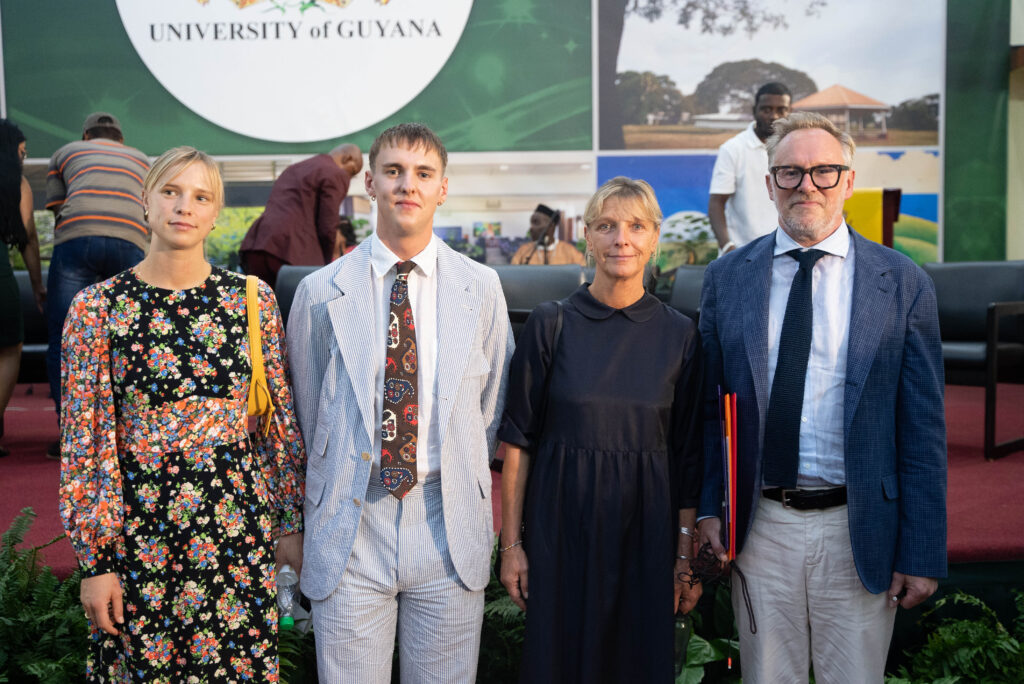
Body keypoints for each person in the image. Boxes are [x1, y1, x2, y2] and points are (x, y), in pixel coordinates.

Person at [696, 112, 947, 682]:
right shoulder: (727, 279)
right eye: (789, 172)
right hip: (761, 528)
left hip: (858, 529)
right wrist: (711, 506)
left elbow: (924, 430)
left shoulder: (903, 283)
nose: (807, 185)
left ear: (849, 181)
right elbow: (711, 414)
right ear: (768, 185)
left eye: (824, 171)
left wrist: (923, 550)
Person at [59, 146, 306, 682]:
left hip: (236, 532)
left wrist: (289, 523)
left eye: (200, 196)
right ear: (144, 201)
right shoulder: (97, 308)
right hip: (139, 539)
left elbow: (277, 425)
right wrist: (96, 561)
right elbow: (86, 440)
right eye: (170, 191)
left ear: (216, 212)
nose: (183, 207)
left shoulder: (252, 300)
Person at [287, 123, 513, 682]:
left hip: (446, 521)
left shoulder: (481, 288)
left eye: (422, 174)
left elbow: (488, 408)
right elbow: (306, 415)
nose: (406, 185)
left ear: (442, 189)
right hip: (351, 522)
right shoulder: (319, 292)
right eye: (393, 171)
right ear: (368, 182)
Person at [499, 176, 703, 682]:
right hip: (561, 531)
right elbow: (518, 445)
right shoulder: (551, 324)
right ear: (586, 238)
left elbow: (688, 455)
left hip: (647, 534)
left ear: (655, 238)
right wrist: (512, 545)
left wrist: (683, 557)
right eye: (607, 226)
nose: (621, 239)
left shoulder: (682, 335)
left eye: (636, 226)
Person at [45, 112, 149, 436]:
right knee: (130, 339)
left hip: (77, 237)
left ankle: (71, 433)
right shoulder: (142, 160)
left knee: (65, 339)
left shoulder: (66, 152)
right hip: (131, 239)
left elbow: (55, 206)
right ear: (120, 139)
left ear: (86, 136)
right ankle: (128, 429)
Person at [239, 143, 363, 286]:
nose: (349, 178)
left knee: (262, 306)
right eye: (352, 172)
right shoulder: (335, 172)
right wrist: (327, 263)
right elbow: (327, 225)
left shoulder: (295, 168)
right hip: (292, 254)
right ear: (347, 158)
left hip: (257, 245)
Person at [0, 119, 45, 458]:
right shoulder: (17, 184)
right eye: (22, 152)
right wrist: (36, 285)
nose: (24, 158)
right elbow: (28, 236)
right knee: (9, 348)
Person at [708, 82, 791, 254]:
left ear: (789, 112)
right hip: (743, 254)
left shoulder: (797, 149)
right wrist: (727, 247)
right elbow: (716, 203)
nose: (774, 116)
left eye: (781, 110)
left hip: (788, 252)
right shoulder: (733, 149)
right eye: (766, 109)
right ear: (754, 111)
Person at [510, 203, 586, 265]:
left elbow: (583, 277)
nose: (531, 228)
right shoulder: (524, 251)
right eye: (531, 223)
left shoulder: (570, 252)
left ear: (551, 226)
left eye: (536, 222)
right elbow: (512, 278)